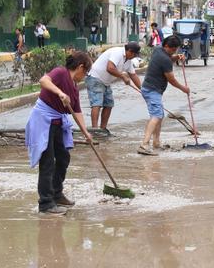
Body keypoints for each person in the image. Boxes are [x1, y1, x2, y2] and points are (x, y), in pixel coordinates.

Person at [24, 52, 94, 216]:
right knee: (47, 162)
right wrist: (60, 93)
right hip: (43, 122)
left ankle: (57, 193)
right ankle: (46, 204)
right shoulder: (61, 73)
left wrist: (86, 133)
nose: (85, 76)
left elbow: (77, 112)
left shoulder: (74, 87)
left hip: (57, 124)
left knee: (63, 158)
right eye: (86, 72)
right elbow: (43, 81)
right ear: (80, 67)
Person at [138, 36, 189, 156]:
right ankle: (144, 144)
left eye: (176, 50)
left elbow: (168, 58)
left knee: (159, 115)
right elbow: (171, 79)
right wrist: (184, 89)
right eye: (173, 50)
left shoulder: (158, 50)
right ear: (166, 46)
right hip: (152, 90)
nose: (174, 52)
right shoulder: (165, 59)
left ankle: (156, 142)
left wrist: (176, 57)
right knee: (156, 115)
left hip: (150, 88)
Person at [86, 42, 142, 133]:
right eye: (135, 54)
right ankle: (95, 130)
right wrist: (123, 76)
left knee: (109, 104)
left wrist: (142, 90)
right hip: (95, 78)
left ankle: (103, 129)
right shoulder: (117, 52)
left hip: (106, 82)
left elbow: (133, 75)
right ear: (130, 52)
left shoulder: (128, 61)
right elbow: (110, 68)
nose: (135, 57)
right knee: (97, 104)